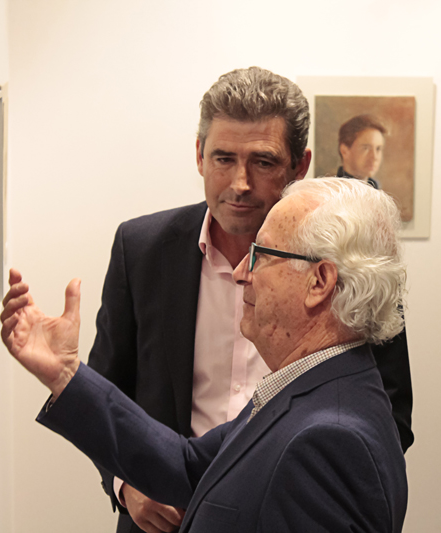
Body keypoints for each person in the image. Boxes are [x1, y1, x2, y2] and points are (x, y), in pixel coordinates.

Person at [86, 67, 413, 532]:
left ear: (300, 165)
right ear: (199, 155)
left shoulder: (353, 259)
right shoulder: (141, 248)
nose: (239, 183)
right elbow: (110, 388)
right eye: (223, 158)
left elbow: (386, 412)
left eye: (262, 162)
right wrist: (127, 483)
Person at [1, 177, 409, 533]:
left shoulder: (328, 438)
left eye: (262, 255)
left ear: (319, 281)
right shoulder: (312, 387)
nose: (240, 273)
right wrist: (66, 374)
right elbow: (188, 466)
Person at [336, 114, 387, 189]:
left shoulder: (375, 188)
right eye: (366, 148)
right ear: (344, 151)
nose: (374, 157)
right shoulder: (334, 191)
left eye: (378, 149)